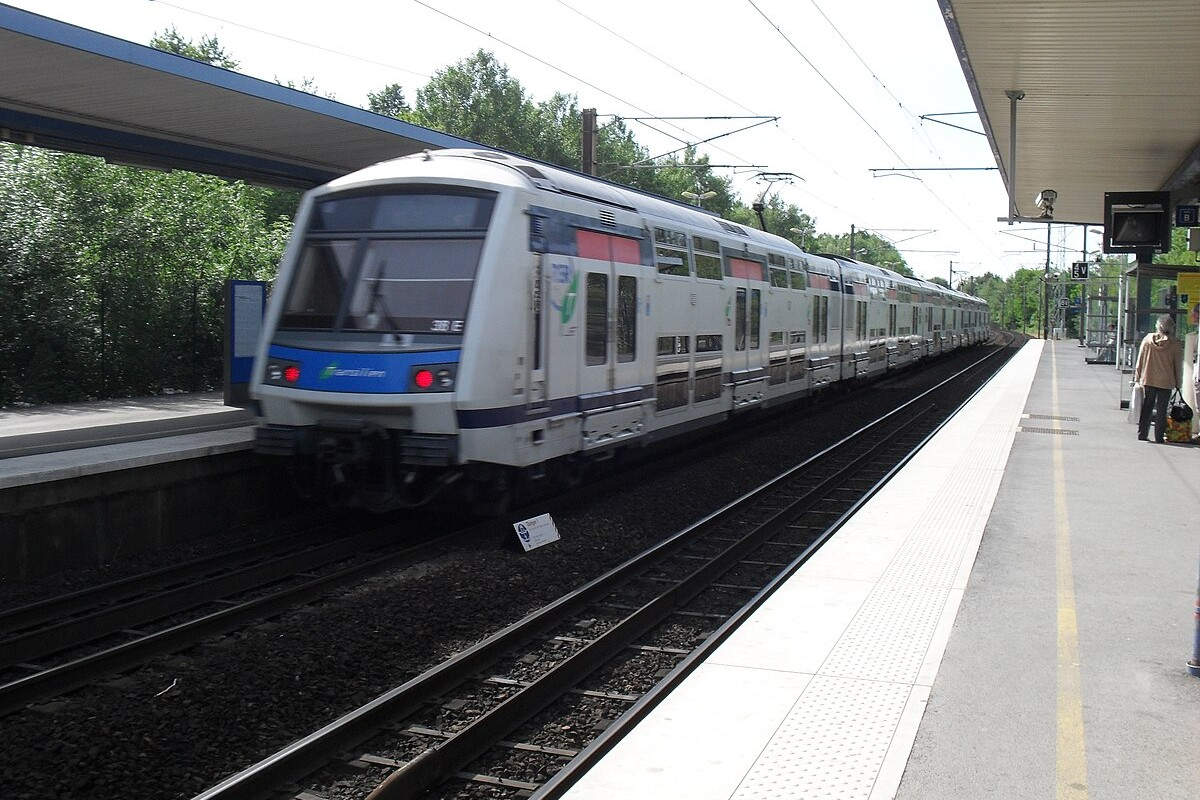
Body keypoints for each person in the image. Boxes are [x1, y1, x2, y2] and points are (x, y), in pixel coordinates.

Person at [1134, 314, 1183, 443]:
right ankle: (1159, 437)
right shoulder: (1175, 344)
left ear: (1158, 326)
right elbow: (1178, 366)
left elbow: (1140, 360)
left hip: (1148, 379)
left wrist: (1137, 377)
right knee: (1162, 410)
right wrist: (1179, 383)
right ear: (1171, 328)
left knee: (1147, 407)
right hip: (1166, 382)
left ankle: (1142, 434)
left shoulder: (1148, 340)